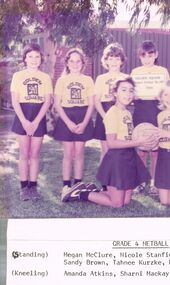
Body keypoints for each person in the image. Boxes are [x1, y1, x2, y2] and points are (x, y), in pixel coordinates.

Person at [61, 77, 157, 207]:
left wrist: (146, 139)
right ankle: (80, 193)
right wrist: (138, 142)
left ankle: (92, 190)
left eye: (130, 91)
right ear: (115, 93)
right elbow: (111, 143)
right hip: (117, 159)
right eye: (124, 90)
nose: (128, 94)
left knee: (126, 201)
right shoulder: (112, 113)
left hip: (129, 157)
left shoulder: (127, 113)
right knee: (117, 203)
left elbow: (129, 137)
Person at [11, 43, 52, 200]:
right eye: (30, 56)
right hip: (22, 114)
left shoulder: (45, 77)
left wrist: (35, 122)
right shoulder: (18, 76)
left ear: (41, 59)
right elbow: (15, 101)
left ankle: (33, 187)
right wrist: (25, 122)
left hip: (38, 116)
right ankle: (23, 187)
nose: (34, 60)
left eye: (37, 56)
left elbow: (47, 101)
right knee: (24, 154)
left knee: (34, 154)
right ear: (25, 58)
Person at [53, 48, 94, 195]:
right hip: (66, 116)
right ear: (67, 63)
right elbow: (57, 104)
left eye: (78, 61)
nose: (75, 64)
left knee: (79, 152)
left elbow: (91, 104)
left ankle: (78, 184)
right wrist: (68, 122)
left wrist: (84, 123)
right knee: (68, 153)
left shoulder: (88, 80)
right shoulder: (62, 80)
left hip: (82, 116)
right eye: (72, 61)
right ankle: (66, 185)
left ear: (83, 63)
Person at [131, 40, 169, 193]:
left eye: (150, 55)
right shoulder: (135, 72)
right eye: (144, 56)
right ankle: (140, 181)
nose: (147, 59)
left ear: (156, 55)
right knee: (141, 148)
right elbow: (130, 93)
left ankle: (154, 182)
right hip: (141, 110)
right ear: (139, 57)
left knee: (155, 149)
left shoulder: (163, 71)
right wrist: (134, 96)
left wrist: (162, 96)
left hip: (157, 110)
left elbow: (168, 92)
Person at [93, 43, 128, 162]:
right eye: (110, 59)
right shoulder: (101, 78)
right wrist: (105, 117)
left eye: (117, 59)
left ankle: (119, 178)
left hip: (120, 113)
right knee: (106, 150)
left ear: (122, 61)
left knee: (120, 150)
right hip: (105, 113)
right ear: (106, 61)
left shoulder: (126, 77)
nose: (114, 62)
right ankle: (105, 180)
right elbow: (96, 100)